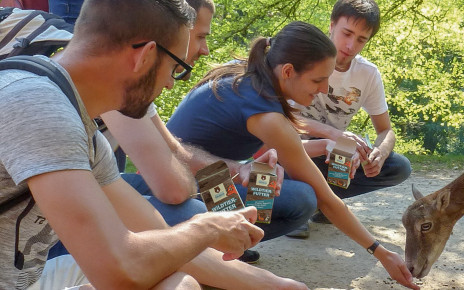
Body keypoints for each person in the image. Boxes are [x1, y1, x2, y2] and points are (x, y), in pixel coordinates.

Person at [0, 0, 305, 288]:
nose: (172, 83)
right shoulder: (37, 105)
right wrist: (207, 228)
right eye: (176, 69)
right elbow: (121, 270)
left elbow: (158, 234)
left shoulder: (81, 125)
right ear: (145, 55)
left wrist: (278, 286)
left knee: (174, 278)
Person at [166, 21, 420, 289]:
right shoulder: (266, 114)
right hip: (181, 190)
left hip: (194, 178)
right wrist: (381, 252)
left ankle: (222, 249)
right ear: (288, 71)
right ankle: (212, 254)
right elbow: (328, 200)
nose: (324, 89)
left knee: (273, 182)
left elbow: (283, 149)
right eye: (318, 80)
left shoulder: (248, 77)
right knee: (301, 199)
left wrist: (323, 145)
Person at [292, 0, 411, 229]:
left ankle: (324, 203)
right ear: (332, 25)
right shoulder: (302, 59)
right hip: (298, 147)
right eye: (347, 33)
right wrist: (334, 134)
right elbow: (279, 119)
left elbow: (386, 130)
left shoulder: (367, 74)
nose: (350, 45)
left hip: (335, 151)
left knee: (399, 167)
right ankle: (298, 206)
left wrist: (380, 153)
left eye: (361, 39)